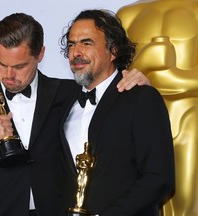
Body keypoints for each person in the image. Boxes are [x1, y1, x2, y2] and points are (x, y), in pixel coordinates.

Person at [0, 13, 150, 216]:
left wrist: (136, 81)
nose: (8, 75)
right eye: (1, 64)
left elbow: (109, 94)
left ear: (40, 54)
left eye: (19, 66)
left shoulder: (70, 92)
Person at [60, 9, 175, 216]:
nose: (76, 52)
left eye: (87, 43)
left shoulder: (141, 98)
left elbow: (158, 178)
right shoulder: (62, 104)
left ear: (113, 51)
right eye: (71, 44)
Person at [117, 1, 198, 215]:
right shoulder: (128, 14)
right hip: (136, 125)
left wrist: (162, 76)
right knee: (133, 200)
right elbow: (113, 76)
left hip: (188, 121)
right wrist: (145, 64)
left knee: (185, 204)